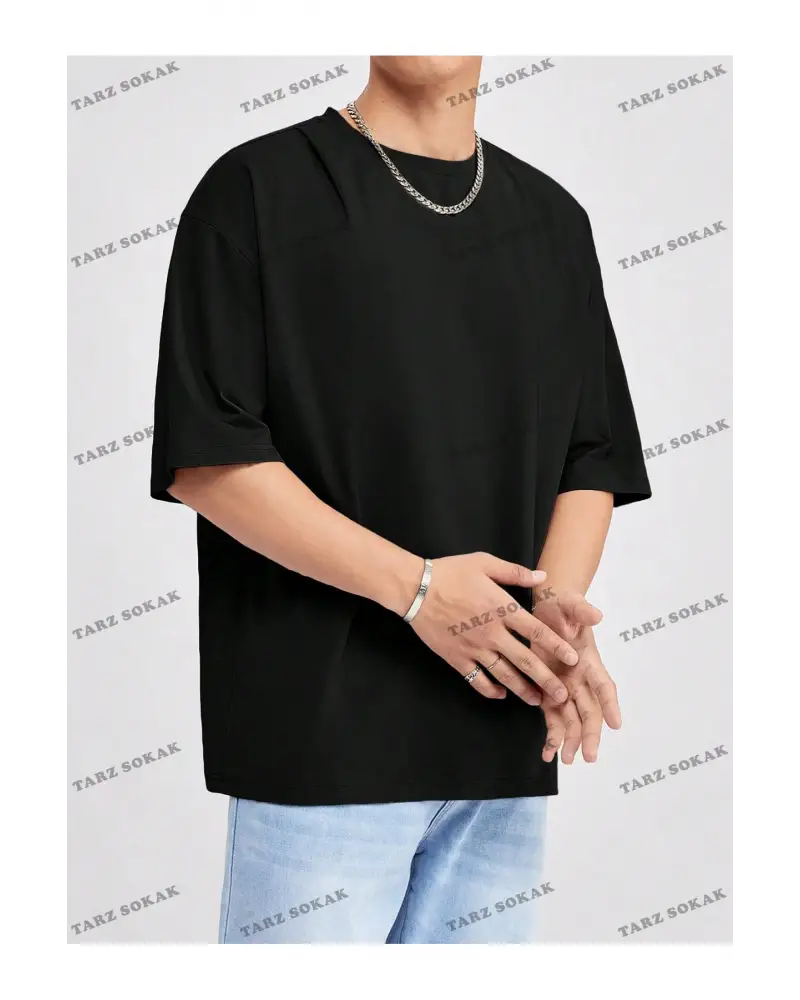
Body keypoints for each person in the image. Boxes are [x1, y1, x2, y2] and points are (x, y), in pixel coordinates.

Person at [149, 55, 651, 944]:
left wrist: (553, 624)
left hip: (501, 740)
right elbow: (210, 456)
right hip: (323, 744)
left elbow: (593, 453)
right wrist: (420, 591)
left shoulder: (552, 219)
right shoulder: (256, 189)